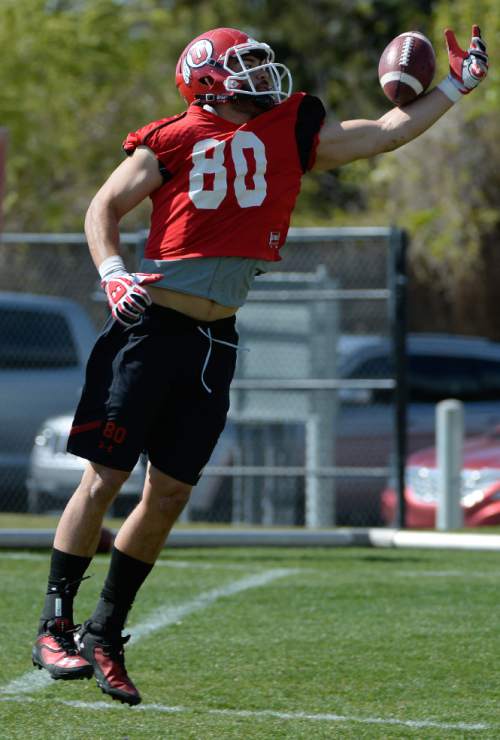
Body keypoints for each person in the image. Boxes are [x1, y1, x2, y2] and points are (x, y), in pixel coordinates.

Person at [31, 25, 488, 705]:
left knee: (172, 493)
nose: (259, 73)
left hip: (217, 339)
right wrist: (112, 272)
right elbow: (104, 205)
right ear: (207, 79)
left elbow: (385, 133)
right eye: (241, 64)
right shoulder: (171, 137)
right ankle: (54, 624)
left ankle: (105, 633)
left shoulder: (289, 129)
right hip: (151, 327)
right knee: (105, 479)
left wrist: (456, 85)